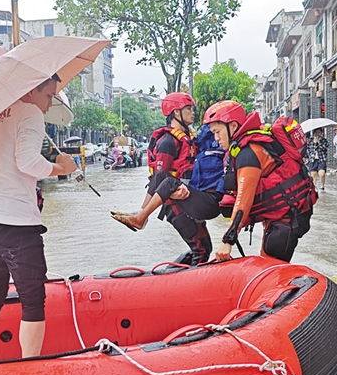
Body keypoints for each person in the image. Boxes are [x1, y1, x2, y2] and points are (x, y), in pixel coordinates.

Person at [0, 74, 77, 362]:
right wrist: (61, 169)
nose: (49, 104)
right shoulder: (29, 112)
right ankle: (29, 368)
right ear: (29, 89)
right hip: (15, 222)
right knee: (32, 299)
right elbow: (28, 162)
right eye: (48, 95)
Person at [208, 104, 316, 263]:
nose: (216, 138)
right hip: (289, 214)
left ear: (233, 126)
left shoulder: (248, 153)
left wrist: (227, 241)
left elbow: (243, 201)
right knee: (270, 260)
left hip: (287, 220)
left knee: (271, 262)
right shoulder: (250, 144)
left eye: (217, 132)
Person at [111, 122, 226, 265]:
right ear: (177, 113)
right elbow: (163, 173)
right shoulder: (170, 142)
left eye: (218, 132)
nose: (216, 137)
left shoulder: (219, 150)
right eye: (214, 133)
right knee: (201, 250)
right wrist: (174, 192)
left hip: (198, 199)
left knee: (201, 249)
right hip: (179, 201)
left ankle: (141, 216)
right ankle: (141, 215)